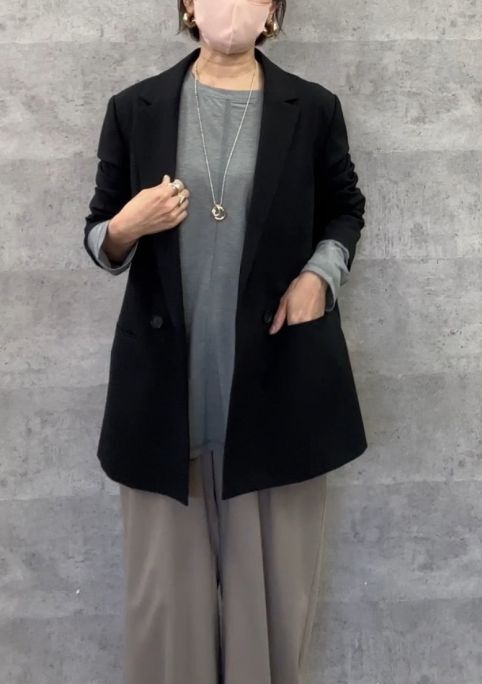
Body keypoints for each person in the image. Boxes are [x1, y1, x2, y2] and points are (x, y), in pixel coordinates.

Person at [81, 0, 368, 682]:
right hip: (164, 403)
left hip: (277, 391)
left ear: (272, 13)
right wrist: (128, 224)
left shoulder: (313, 107)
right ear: (188, 6)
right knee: (167, 625)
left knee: (270, 618)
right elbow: (100, 234)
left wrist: (320, 277)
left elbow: (345, 209)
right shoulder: (135, 108)